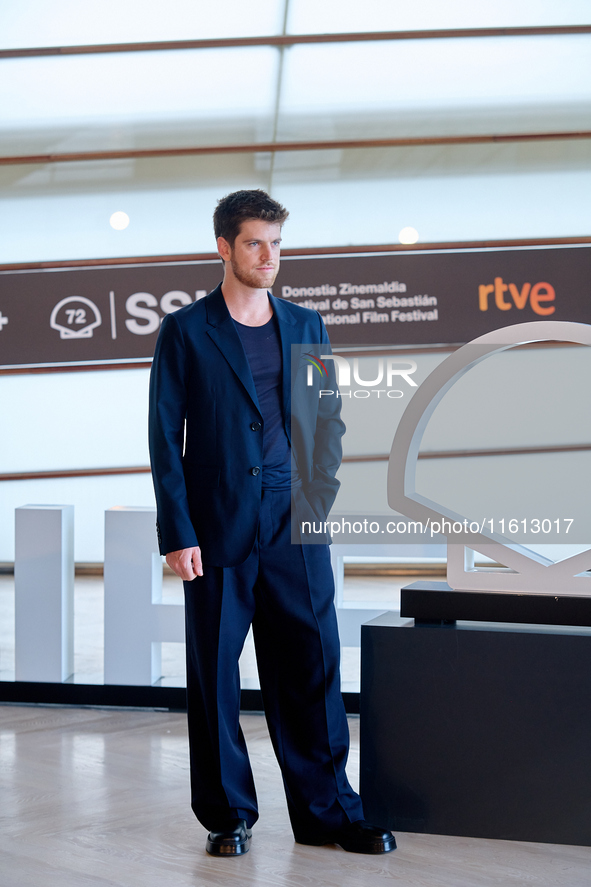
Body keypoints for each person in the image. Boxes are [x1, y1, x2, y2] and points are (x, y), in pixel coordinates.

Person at [148, 189, 396, 857]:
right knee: (216, 677)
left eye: (277, 243)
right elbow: (164, 435)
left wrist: (318, 500)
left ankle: (327, 813)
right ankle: (227, 814)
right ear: (223, 247)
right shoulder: (185, 331)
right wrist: (177, 530)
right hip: (217, 525)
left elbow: (324, 418)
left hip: (295, 522)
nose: (270, 256)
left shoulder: (305, 324)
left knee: (313, 667)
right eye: (256, 242)